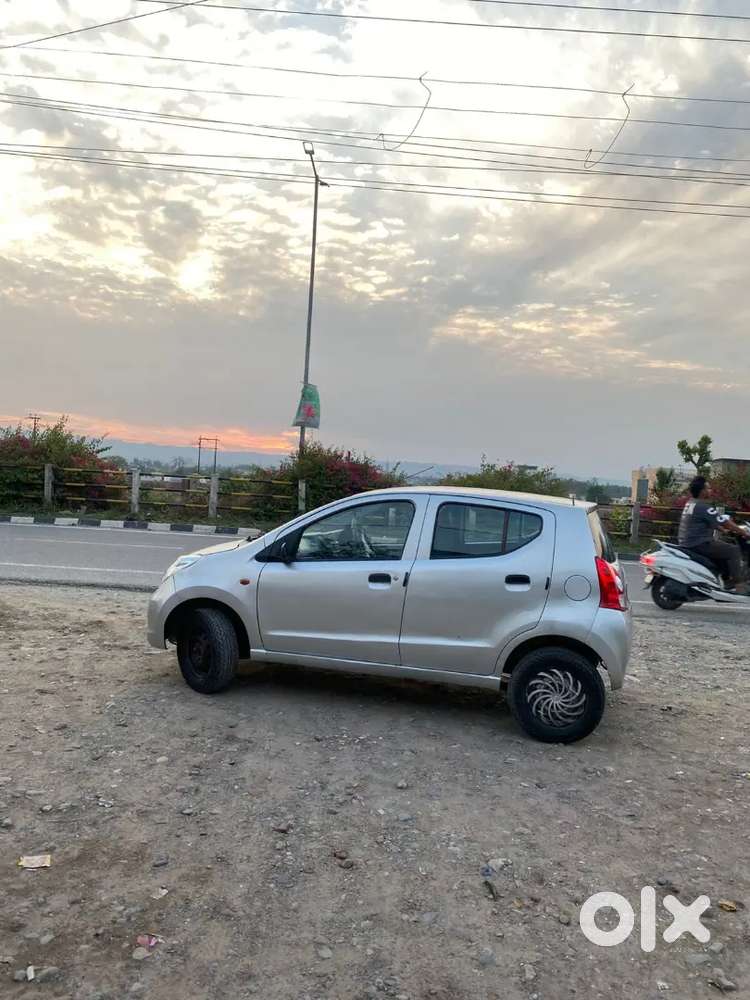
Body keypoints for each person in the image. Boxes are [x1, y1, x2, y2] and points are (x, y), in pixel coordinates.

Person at [678, 476, 747, 592]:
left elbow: (708, 521)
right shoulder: (703, 507)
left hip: (688, 542)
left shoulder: (691, 503)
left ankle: (725, 581)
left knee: (722, 548)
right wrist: (743, 532)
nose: (710, 490)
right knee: (733, 550)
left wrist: (723, 530)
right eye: (708, 488)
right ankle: (739, 585)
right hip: (699, 543)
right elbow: (724, 521)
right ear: (702, 491)